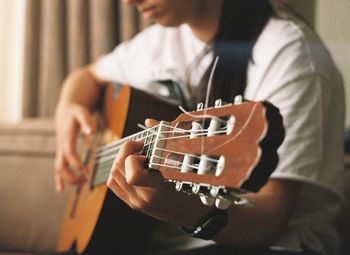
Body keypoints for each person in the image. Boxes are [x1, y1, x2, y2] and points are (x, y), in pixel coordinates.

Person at [54, 0, 345, 254]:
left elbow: (269, 221)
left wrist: (181, 207)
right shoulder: (163, 39)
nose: (128, 1)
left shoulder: (289, 53)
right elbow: (87, 76)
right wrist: (67, 108)